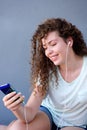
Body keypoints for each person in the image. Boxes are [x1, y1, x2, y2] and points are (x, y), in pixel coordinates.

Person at [0, 18, 87, 130]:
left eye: (53, 44)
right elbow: (29, 115)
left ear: (69, 41)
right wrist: (16, 107)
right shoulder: (47, 70)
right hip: (49, 115)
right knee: (17, 128)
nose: (48, 52)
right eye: (45, 48)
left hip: (76, 125)